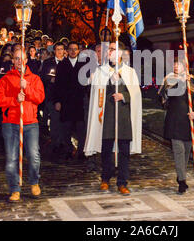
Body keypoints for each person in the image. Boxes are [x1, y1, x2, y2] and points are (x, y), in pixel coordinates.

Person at [84, 42, 142, 195]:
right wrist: (110, 79)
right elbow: (96, 92)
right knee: (106, 151)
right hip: (107, 117)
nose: (110, 51)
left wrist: (124, 95)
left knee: (124, 151)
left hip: (123, 117)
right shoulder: (102, 71)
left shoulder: (129, 72)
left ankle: (122, 182)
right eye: (109, 49)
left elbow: (136, 94)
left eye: (113, 49)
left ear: (121, 52)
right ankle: (105, 178)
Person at [0, 48, 45, 202]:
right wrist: (14, 100)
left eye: (21, 58)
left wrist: (27, 87)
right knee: (11, 159)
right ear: (13, 60)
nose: (18, 61)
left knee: (34, 156)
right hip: (11, 123)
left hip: (30, 123)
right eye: (16, 58)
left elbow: (40, 98)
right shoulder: (5, 79)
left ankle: (34, 182)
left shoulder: (35, 79)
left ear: (26, 60)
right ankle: (14, 188)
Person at [158, 59, 194, 194]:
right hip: (174, 121)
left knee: (186, 151)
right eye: (175, 65)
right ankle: (182, 182)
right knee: (179, 151)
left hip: (188, 122)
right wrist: (182, 81)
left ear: (186, 67)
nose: (176, 67)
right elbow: (167, 95)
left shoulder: (193, 81)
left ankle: (180, 175)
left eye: (179, 65)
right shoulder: (170, 79)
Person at [51, 41, 87, 162]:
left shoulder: (83, 64)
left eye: (75, 49)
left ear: (78, 51)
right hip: (66, 102)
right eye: (70, 49)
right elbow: (57, 85)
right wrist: (57, 101)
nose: (73, 51)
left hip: (79, 102)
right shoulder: (62, 65)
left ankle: (82, 151)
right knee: (66, 128)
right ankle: (68, 150)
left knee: (81, 129)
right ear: (67, 51)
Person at [40, 42, 65, 141]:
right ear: (54, 51)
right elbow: (42, 76)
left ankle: (63, 141)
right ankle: (55, 141)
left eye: (61, 49)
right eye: (57, 49)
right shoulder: (48, 62)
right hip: (51, 95)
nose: (59, 52)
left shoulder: (67, 62)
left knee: (64, 121)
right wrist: (50, 79)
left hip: (64, 97)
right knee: (54, 119)